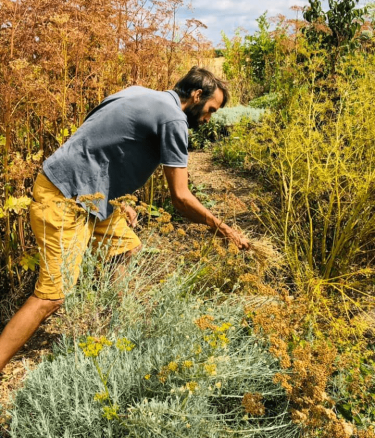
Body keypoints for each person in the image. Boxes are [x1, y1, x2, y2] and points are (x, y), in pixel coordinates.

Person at [0, 66, 249, 372]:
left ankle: (119, 335)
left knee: (125, 248)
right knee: (51, 298)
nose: (208, 118)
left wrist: (112, 198)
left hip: (85, 194)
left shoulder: (137, 91)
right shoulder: (174, 119)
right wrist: (224, 229)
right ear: (196, 95)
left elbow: (101, 142)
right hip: (65, 197)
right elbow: (181, 198)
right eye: (210, 109)